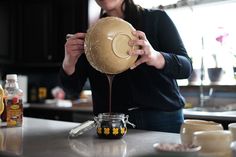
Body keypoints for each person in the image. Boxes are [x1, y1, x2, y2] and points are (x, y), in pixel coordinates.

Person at [59, 0, 193, 133]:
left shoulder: (156, 19)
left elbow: (186, 68)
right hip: (113, 124)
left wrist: (156, 57)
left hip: (163, 119)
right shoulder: (91, 35)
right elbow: (72, 90)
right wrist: (69, 61)